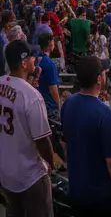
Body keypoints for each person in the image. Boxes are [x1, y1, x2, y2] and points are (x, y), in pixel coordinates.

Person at [1, 40, 56, 217]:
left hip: (5, 171)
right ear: (24, 63)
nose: (35, 59)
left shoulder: (3, 82)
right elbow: (42, 140)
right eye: (32, 57)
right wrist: (51, 163)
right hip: (30, 175)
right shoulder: (32, 96)